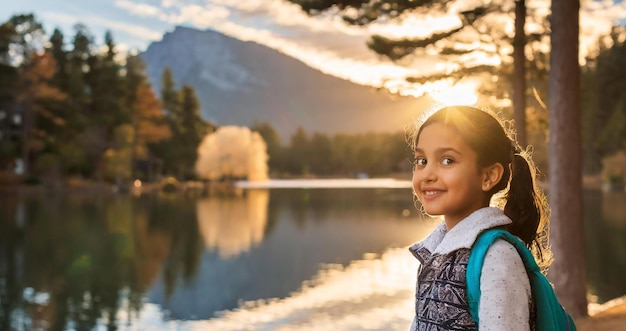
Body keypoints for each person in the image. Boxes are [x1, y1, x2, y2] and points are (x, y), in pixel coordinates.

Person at [407, 105, 551, 330]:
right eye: (421, 161)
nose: (427, 174)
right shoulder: (434, 251)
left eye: (447, 160)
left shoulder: (496, 257)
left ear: (489, 176)